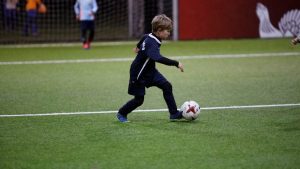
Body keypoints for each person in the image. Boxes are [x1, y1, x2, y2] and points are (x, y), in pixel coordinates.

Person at [117, 14, 184, 123]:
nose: (169, 33)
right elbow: (158, 58)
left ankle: (174, 114)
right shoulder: (152, 43)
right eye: (167, 30)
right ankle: (122, 113)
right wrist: (176, 63)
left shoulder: (150, 36)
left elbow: (142, 39)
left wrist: (138, 48)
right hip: (138, 73)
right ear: (159, 30)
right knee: (139, 100)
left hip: (150, 71)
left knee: (166, 86)